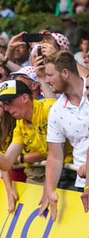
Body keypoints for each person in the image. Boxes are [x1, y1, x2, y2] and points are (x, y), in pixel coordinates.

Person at [40, 52, 89, 217]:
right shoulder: (56, 111)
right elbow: (54, 156)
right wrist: (50, 189)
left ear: (65, 73)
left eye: (49, 75)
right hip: (83, 185)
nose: (46, 80)